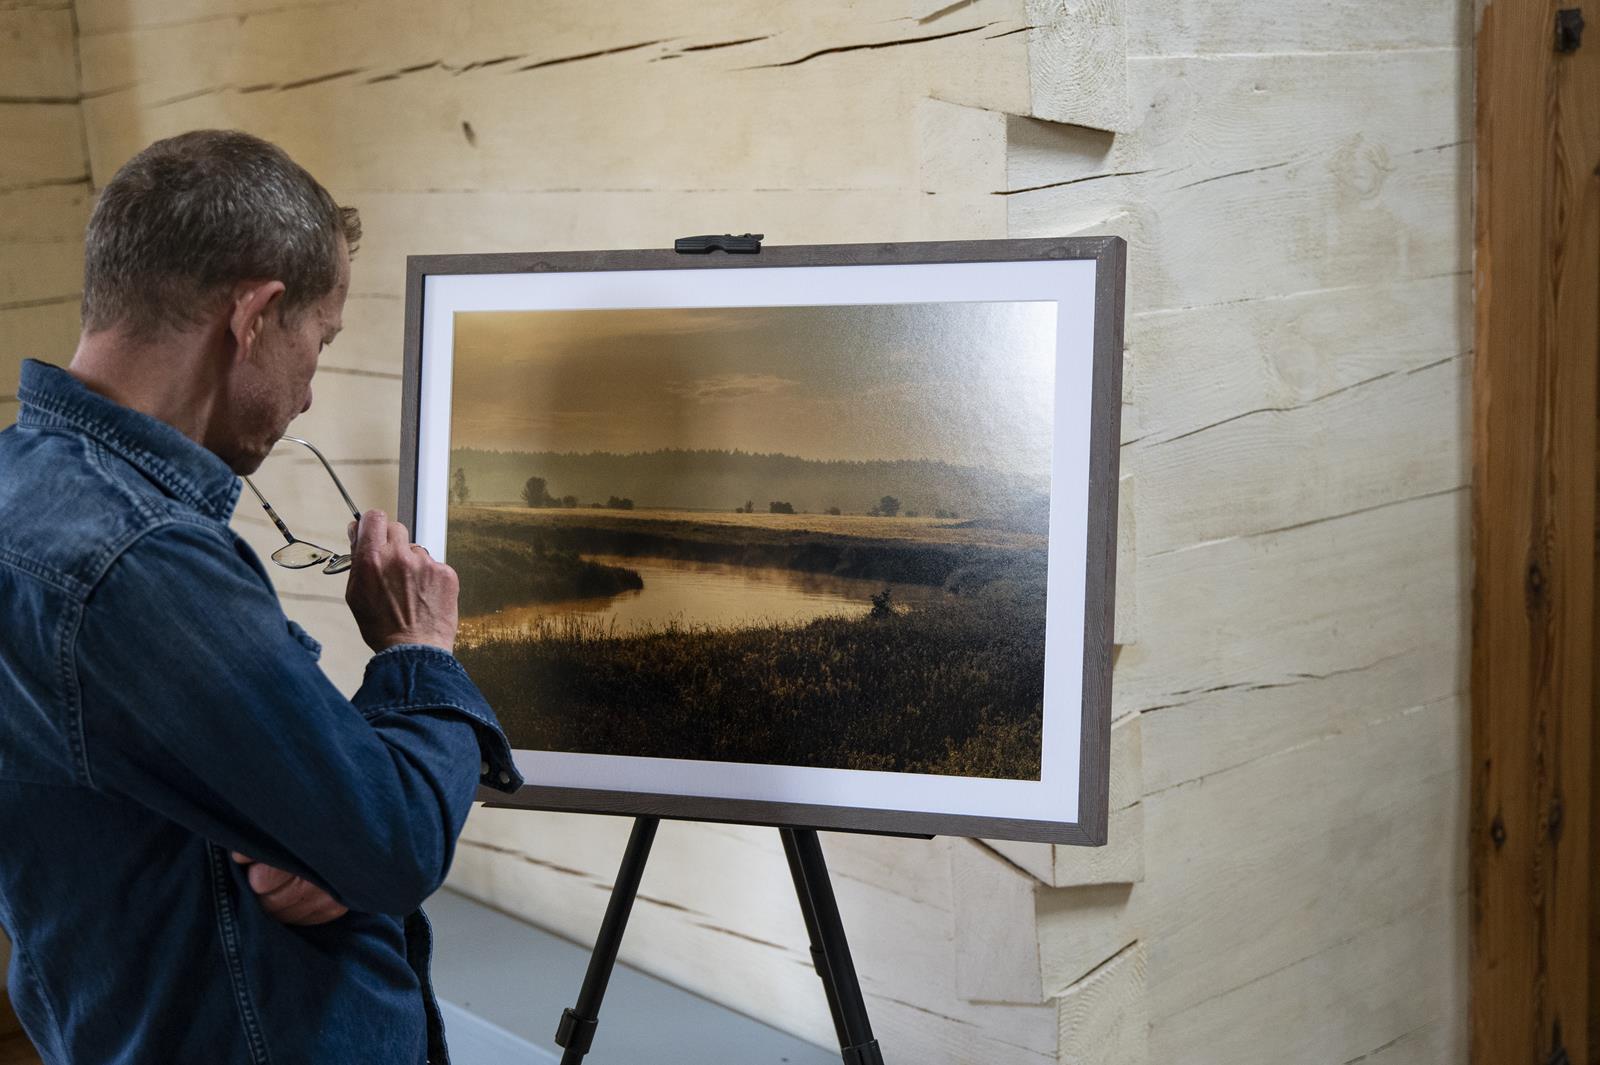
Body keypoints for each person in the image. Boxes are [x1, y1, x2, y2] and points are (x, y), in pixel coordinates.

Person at [0, 129, 521, 1064]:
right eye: (320, 341)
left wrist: (314, 832)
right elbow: (397, 841)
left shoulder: (17, 489)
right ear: (256, 316)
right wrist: (419, 651)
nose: (309, 394)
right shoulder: (139, 561)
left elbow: (125, 781)